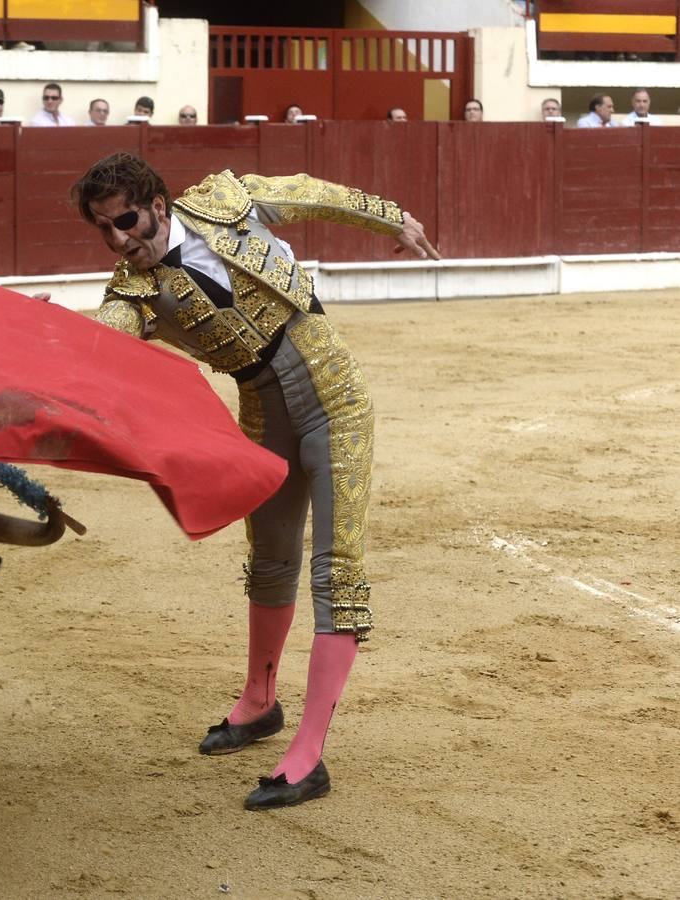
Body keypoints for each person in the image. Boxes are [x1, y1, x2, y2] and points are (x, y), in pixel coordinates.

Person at [68, 151, 436, 809]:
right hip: (263, 414)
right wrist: (46, 340)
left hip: (334, 397)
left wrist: (392, 218)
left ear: (157, 205)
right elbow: (105, 345)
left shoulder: (228, 201)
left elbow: (317, 195)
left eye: (127, 222)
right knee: (268, 563)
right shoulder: (131, 289)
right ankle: (259, 701)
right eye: (105, 230)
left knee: (336, 571)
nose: (121, 240)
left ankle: (309, 753)